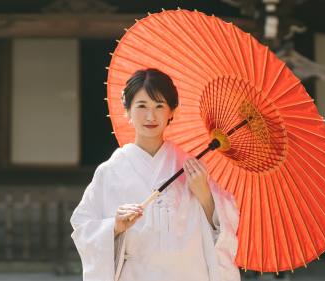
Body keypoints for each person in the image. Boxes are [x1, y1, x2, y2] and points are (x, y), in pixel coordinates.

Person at [71, 68, 240, 281]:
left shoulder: (190, 167)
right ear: (128, 110)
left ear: (172, 112)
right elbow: (83, 226)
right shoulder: (110, 172)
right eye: (141, 106)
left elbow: (226, 225)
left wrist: (205, 195)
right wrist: (114, 226)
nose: (150, 116)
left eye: (159, 106)